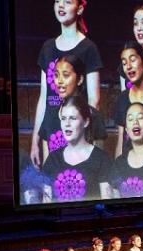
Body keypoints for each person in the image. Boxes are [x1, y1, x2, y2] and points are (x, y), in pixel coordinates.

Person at [30, 0, 102, 169]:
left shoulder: (89, 48)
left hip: (77, 130)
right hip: (51, 130)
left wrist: (83, 134)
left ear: (80, 9)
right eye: (57, 1)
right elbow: (44, 98)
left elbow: (94, 99)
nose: (61, 5)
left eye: (67, 2)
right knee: (51, 188)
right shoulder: (47, 47)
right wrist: (35, 140)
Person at [40, 96, 110, 202]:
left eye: (73, 118)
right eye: (63, 119)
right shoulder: (53, 159)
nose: (67, 124)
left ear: (86, 122)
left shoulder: (101, 159)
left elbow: (107, 202)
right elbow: (46, 203)